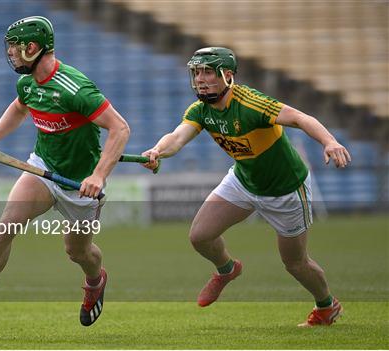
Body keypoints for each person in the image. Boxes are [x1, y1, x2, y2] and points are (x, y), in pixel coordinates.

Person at [142, 47, 351, 327]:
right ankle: (227, 269)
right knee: (200, 236)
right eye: (196, 73)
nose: (200, 79)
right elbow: (177, 137)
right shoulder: (201, 110)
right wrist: (157, 151)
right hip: (243, 181)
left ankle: (326, 307)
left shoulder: (252, 104)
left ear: (227, 76)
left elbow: (301, 118)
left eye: (207, 72)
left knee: (295, 264)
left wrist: (330, 141)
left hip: (286, 189)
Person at [0, 16, 130, 329]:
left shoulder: (76, 88)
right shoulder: (27, 83)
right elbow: (19, 108)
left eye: (16, 48)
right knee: (6, 226)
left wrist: (99, 176)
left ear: (33, 47)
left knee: (79, 252)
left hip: (80, 183)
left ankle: (95, 281)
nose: (11, 54)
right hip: (43, 168)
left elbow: (120, 128)